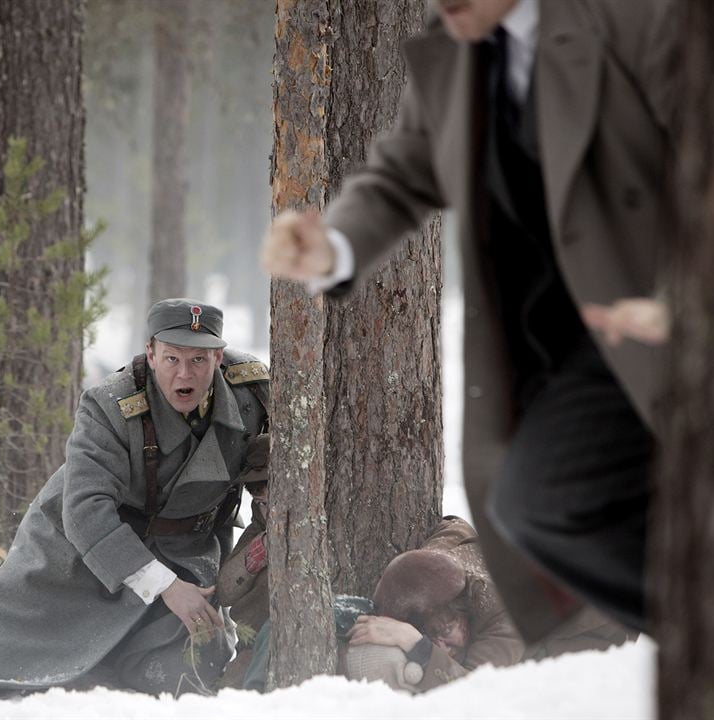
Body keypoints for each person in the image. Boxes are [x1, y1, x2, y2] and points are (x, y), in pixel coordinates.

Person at [261, 0, 677, 639]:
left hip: (669, 329)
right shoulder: (455, 57)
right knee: (529, 507)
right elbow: (401, 175)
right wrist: (334, 245)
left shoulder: (634, 22)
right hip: (553, 353)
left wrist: (688, 296)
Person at [0, 298, 270, 698]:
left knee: (178, 679)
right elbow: (84, 512)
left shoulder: (251, 393)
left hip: (185, 554)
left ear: (218, 358)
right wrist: (164, 586)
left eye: (199, 360)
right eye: (172, 358)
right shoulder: (111, 405)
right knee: (14, 664)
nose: (185, 374)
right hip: (82, 553)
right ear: (151, 351)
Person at [344, 516, 634, 693]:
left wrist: (415, 643)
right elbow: (454, 526)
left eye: (446, 631)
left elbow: (473, 689)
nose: (445, 646)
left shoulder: (506, 609)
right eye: (433, 638)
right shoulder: (444, 562)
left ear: (462, 605)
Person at [216, 433, 271, 688]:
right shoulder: (258, 527)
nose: (268, 510)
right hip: (253, 644)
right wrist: (257, 553)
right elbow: (225, 592)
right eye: (260, 503)